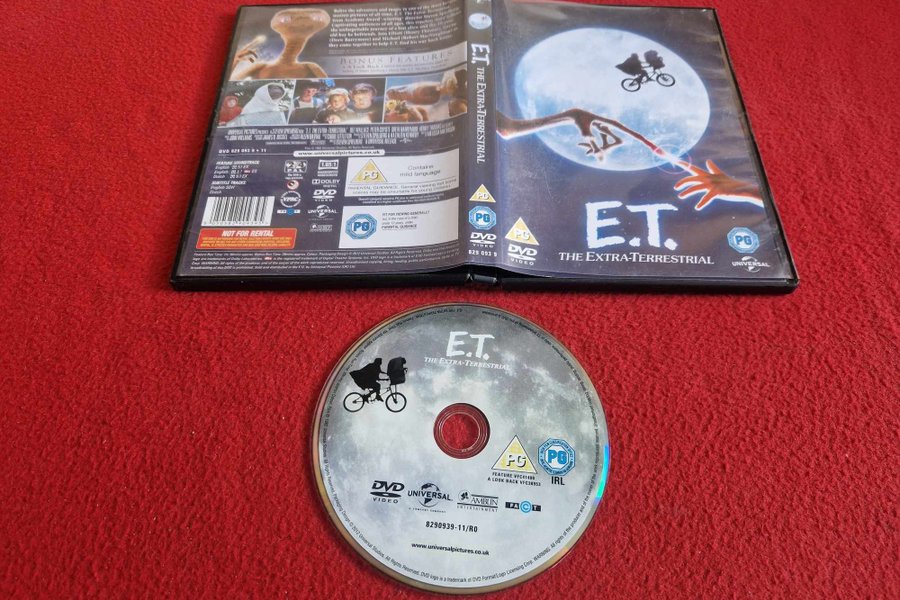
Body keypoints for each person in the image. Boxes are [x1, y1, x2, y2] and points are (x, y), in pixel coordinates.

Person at [230, 8, 330, 80]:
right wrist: (234, 61)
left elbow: (331, 85)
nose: (300, 19)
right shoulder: (260, 66)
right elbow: (231, 83)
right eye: (286, 20)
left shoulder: (310, 67)